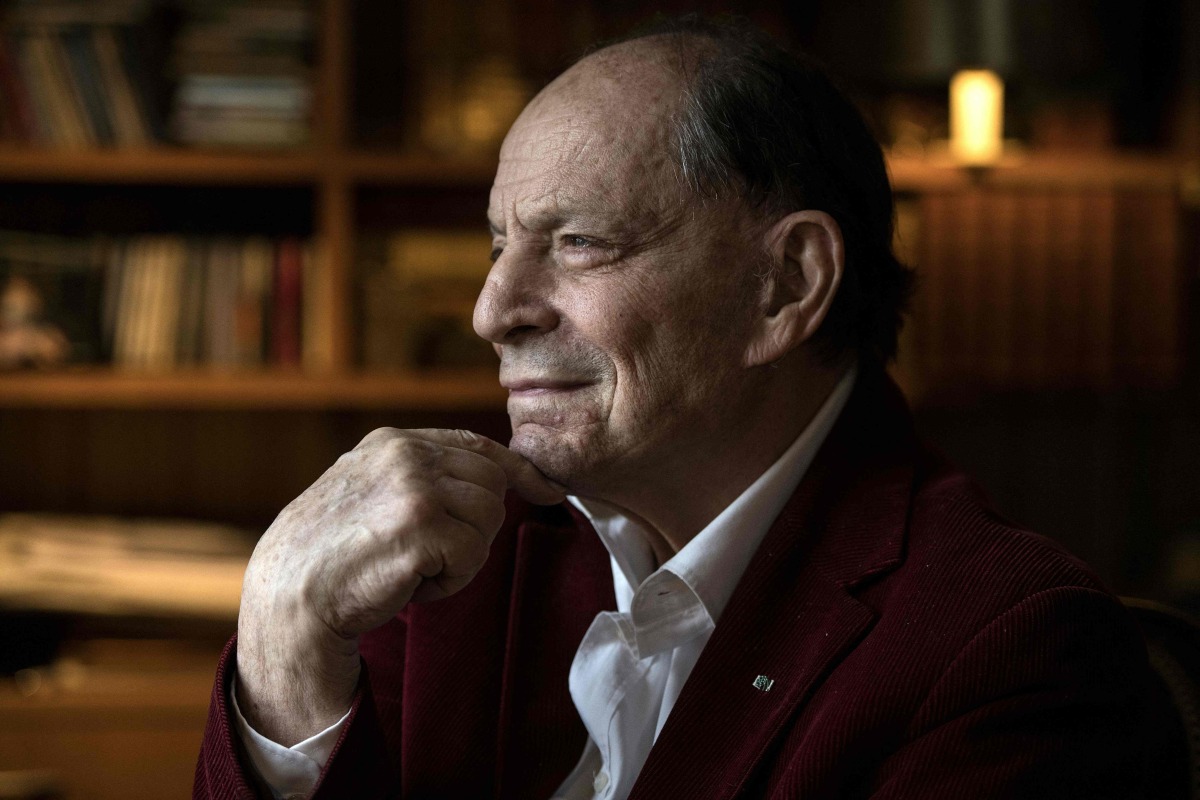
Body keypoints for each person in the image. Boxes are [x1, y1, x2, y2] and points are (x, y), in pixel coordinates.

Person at [195, 17, 1150, 800]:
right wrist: (279, 647)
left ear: (785, 285)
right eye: (498, 245)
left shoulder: (1006, 651)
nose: (492, 312)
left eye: (578, 243)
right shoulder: (452, 558)